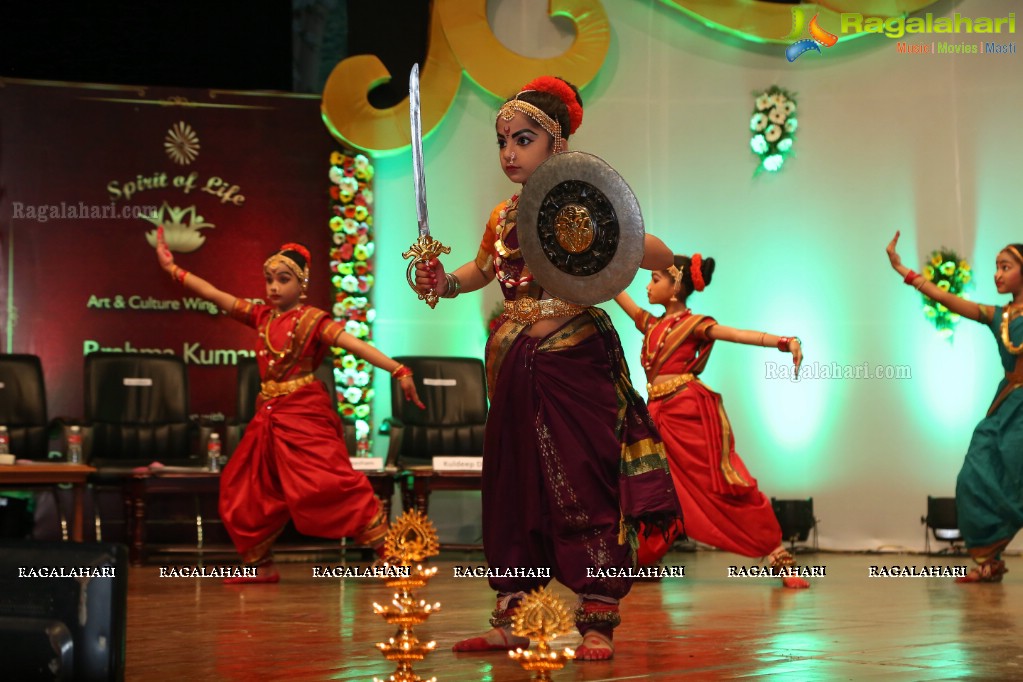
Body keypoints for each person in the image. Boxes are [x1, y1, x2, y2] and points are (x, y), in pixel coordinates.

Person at [414, 76, 680, 661]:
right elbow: (480, 273)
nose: (509, 152)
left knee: (584, 483)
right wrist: (444, 282)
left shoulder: (584, 205)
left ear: (556, 145)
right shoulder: (502, 216)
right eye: (502, 141)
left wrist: (637, 244)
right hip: (512, 364)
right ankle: (515, 614)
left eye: (523, 139)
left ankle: (596, 621)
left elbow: (644, 249)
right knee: (514, 486)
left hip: (574, 359)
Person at [155, 228, 423, 583]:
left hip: (304, 415)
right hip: (268, 415)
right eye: (269, 280)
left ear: (302, 284)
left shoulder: (313, 321)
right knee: (246, 485)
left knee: (327, 483)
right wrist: (174, 270)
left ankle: (390, 554)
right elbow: (216, 295)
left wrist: (398, 368)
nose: (273, 288)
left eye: (283, 280)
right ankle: (259, 563)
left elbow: (354, 345)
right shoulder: (262, 317)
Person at [613, 253, 810, 589]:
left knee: (719, 483)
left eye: (655, 280)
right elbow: (618, 293)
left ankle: (777, 553)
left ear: (675, 287)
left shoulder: (696, 324)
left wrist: (785, 342)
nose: (647, 286)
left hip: (687, 413)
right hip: (654, 413)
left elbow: (735, 334)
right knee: (650, 485)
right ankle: (644, 558)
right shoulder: (652, 324)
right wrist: (594, 267)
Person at [887, 231, 1023, 583]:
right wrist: (905, 271)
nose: (997, 274)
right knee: (973, 476)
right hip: (1007, 405)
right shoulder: (999, 316)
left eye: (1005, 267)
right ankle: (989, 560)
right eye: (996, 267)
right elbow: (947, 299)